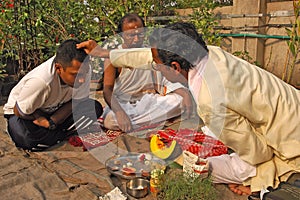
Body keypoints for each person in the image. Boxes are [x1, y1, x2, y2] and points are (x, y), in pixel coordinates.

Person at [92, 22, 300, 196]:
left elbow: (258, 153)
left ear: (174, 67)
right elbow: (151, 56)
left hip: (290, 145)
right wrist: (108, 54)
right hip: (291, 111)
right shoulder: (210, 54)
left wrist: (256, 180)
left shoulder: (210, 99)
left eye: (158, 66)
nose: (155, 68)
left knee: (198, 169)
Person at [3, 39, 103, 151]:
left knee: (94, 108)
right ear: (58, 68)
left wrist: (52, 122)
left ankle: (55, 135)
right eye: (75, 75)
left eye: (84, 74)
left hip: (56, 111)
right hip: (25, 114)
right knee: (25, 138)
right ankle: (60, 134)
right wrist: (39, 117)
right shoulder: (41, 81)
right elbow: (19, 110)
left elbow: (76, 102)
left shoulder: (83, 69)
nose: (82, 80)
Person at [101, 13, 195, 132]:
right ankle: (152, 120)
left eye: (140, 34)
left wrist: (184, 93)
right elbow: (107, 91)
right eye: (130, 35)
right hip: (124, 104)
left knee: (180, 100)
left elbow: (166, 77)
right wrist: (120, 113)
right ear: (121, 35)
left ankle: (138, 123)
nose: (136, 39)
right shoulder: (112, 56)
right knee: (110, 121)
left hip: (149, 101)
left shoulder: (151, 51)